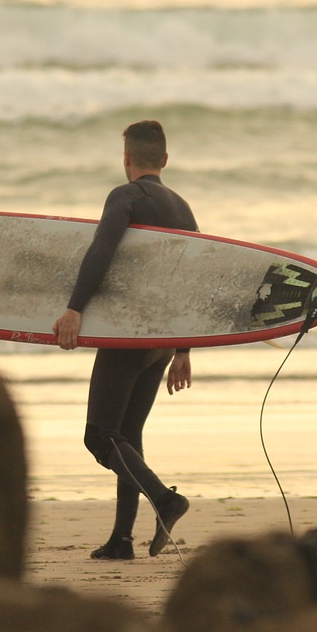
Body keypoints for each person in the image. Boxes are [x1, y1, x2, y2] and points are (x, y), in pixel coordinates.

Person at [52, 120, 196, 560]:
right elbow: (194, 278)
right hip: (163, 341)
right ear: (165, 160)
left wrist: (74, 307)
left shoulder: (126, 196)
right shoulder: (182, 208)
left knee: (100, 436)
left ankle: (166, 500)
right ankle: (121, 540)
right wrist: (184, 349)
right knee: (127, 437)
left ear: (126, 159)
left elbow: (101, 250)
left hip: (131, 333)